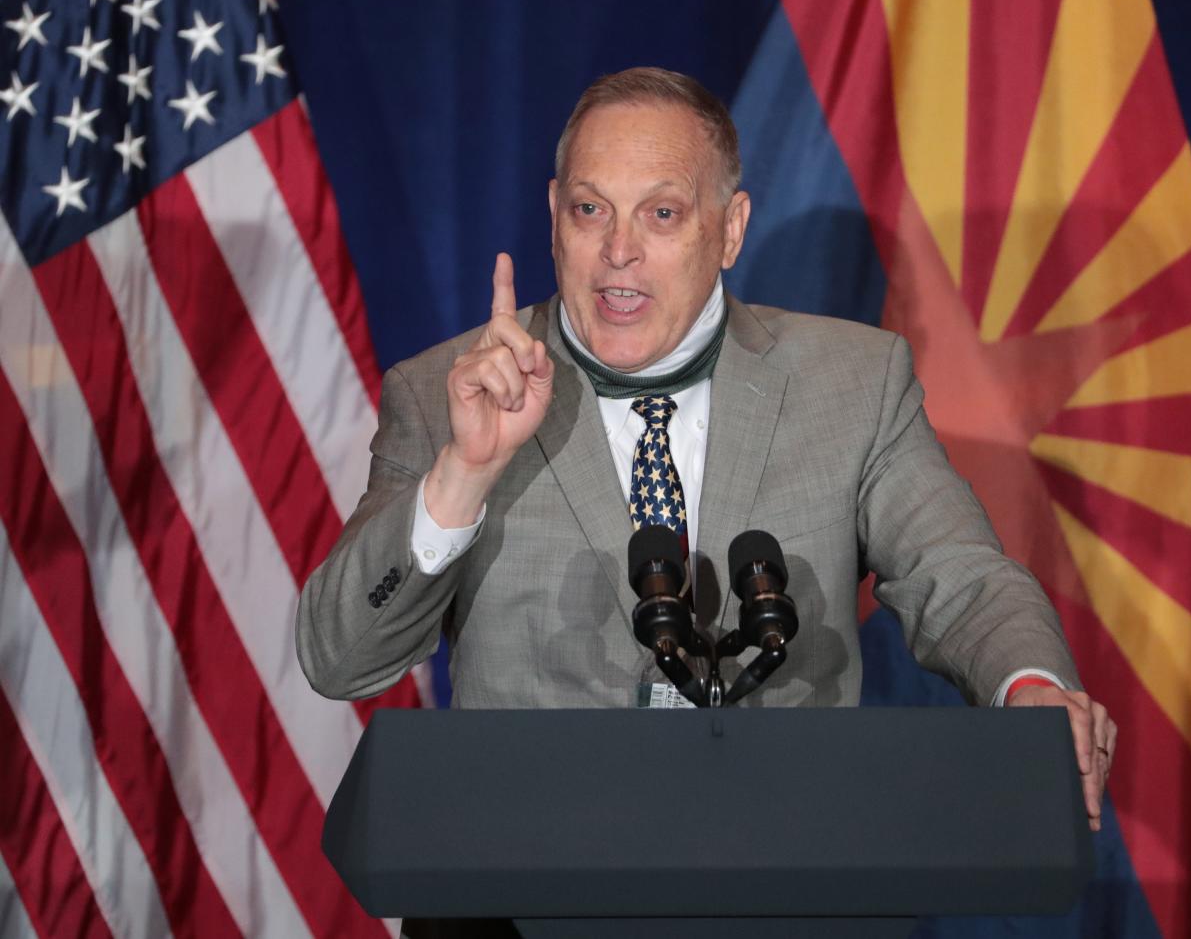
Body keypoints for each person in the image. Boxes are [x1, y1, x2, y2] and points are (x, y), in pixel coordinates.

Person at [296, 67, 1116, 830]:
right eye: (590, 210)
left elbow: (963, 580)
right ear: (553, 217)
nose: (619, 250)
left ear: (729, 229)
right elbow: (339, 660)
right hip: (520, 881)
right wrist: (463, 475)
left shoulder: (854, 383)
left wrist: (1032, 686)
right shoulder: (449, 391)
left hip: (781, 873)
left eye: (661, 213)